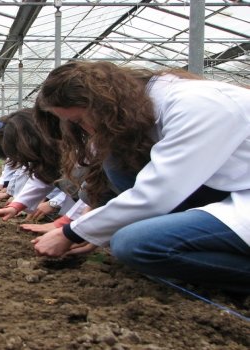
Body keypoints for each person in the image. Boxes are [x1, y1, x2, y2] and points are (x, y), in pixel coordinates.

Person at [31, 61, 250, 292]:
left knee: (133, 244)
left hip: (240, 196)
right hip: (227, 191)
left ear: (102, 103)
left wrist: (72, 232)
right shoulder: (148, 109)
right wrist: (90, 230)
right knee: (118, 162)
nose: (85, 130)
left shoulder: (197, 105)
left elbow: (159, 192)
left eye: (79, 121)